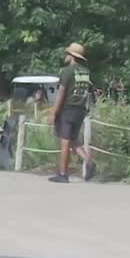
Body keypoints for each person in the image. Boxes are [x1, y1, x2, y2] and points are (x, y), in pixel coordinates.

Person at [50, 42, 95, 183]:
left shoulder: (67, 71)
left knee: (64, 143)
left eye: (67, 54)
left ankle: (63, 174)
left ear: (72, 56)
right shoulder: (85, 72)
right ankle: (88, 160)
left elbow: (61, 94)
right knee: (74, 141)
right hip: (79, 110)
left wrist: (54, 112)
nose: (65, 56)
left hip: (67, 110)